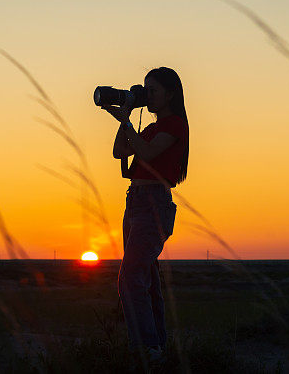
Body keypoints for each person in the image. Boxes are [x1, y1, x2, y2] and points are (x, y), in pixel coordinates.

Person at [101, 67, 189, 364]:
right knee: (146, 277)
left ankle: (147, 349)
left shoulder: (174, 125)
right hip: (135, 202)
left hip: (154, 204)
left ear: (170, 94)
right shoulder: (150, 128)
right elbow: (118, 152)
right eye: (145, 89)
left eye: (152, 90)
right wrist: (124, 119)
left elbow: (148, 154)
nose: (146, 95)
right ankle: (157, 347)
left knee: (130, 277)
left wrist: (127, 120)